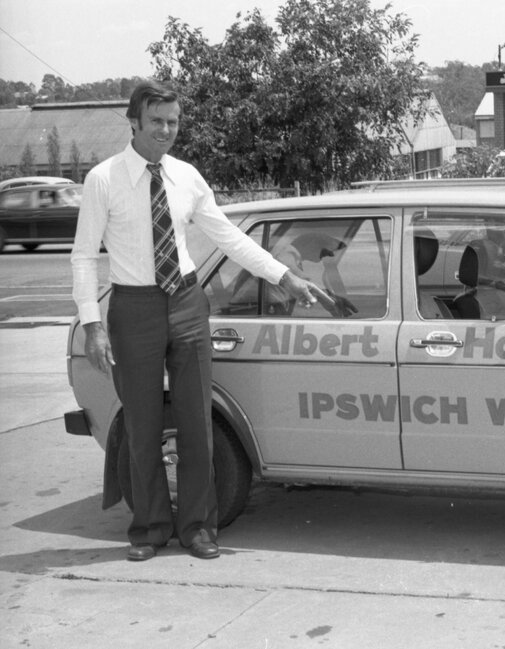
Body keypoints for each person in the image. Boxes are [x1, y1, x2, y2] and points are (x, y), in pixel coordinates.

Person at [71, 81, 320, 562]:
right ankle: (148, 529)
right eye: (157, 121)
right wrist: (91, 324)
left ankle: (200, 528)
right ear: (135, 123)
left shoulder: (187, 176)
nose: (167, 130)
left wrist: (283, 275)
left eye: (174, 121)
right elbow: (83, 256)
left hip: (187, 303)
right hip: (133, 308)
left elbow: (228, 236)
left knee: (195, 423)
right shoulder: (103, 179)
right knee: (142, 426)